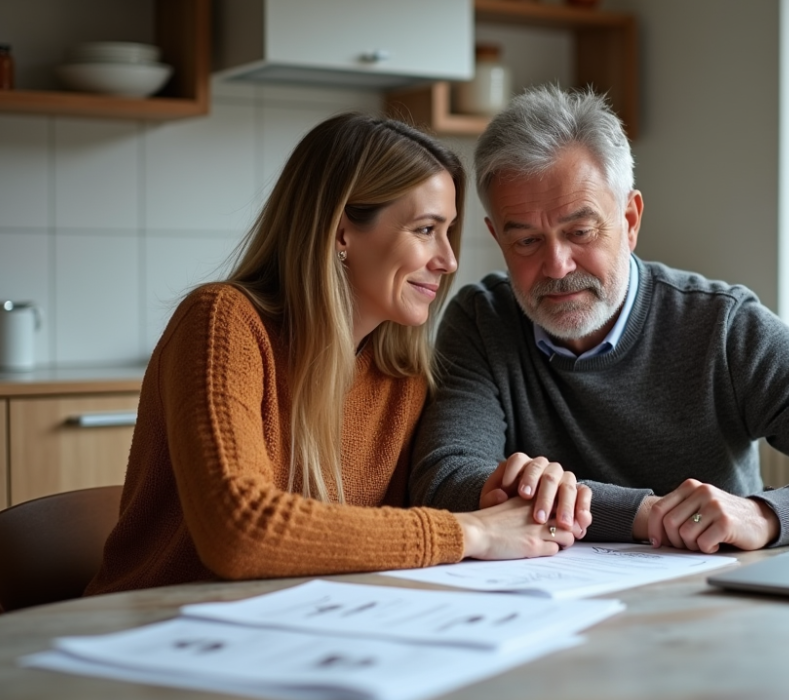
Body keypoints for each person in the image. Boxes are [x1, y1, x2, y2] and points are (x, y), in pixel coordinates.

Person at [409, 85, 789, 553]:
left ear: (630, 219)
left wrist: (766, 514)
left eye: (580, 232)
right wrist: (645, 514)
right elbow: (445, 478)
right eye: (525, 240)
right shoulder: (483, 320)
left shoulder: (724, 327)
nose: (556, 266)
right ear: (497, 238)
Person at [87, 113, 576, 596]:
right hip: (159, 632)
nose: (448, 260)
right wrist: (473, 531)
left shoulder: (400, 376)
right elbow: (240, 533)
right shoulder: (223, 323)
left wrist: (510, 492)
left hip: (296, 633)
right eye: (426, 230)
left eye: (448, 232)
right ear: (342, 233)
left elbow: (387, 535)